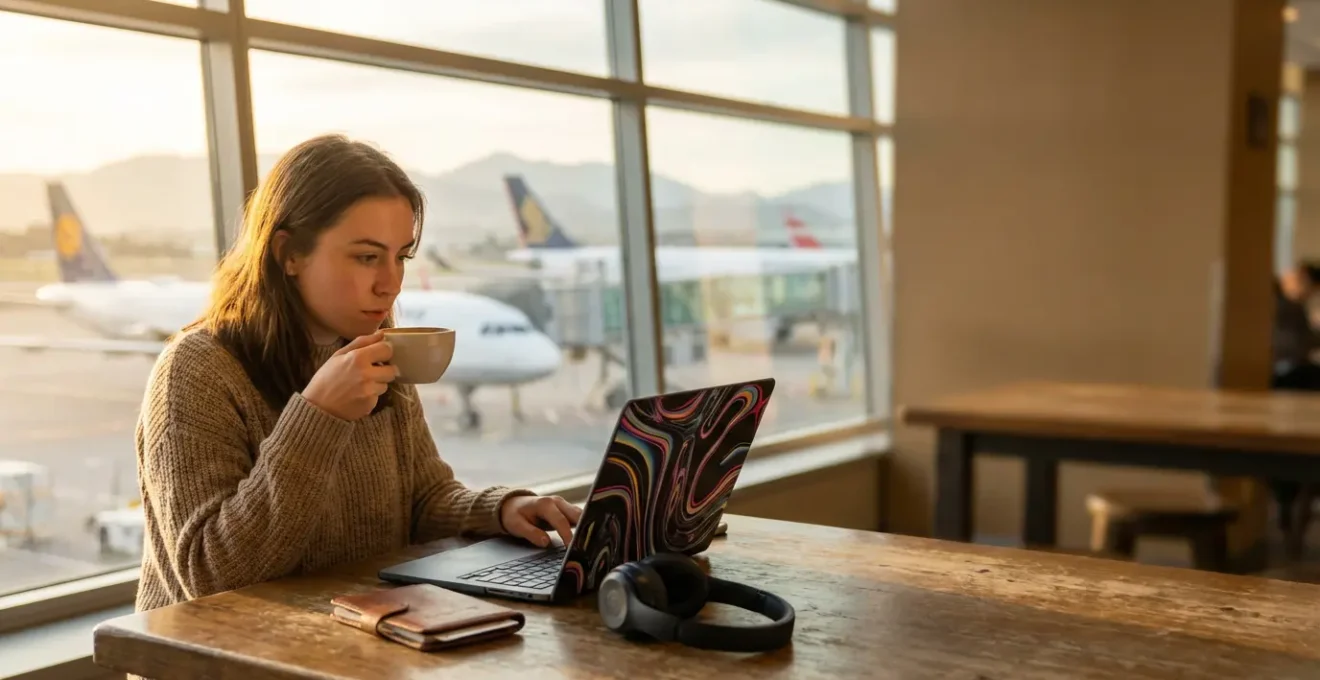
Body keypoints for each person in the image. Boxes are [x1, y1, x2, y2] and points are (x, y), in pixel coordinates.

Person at [133, 134, 581, 614]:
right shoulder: (197, 369)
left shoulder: (376, 348)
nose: (390, 283)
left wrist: (502, 509)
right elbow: (213, 578)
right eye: (367, 257)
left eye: (401, 256)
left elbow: (423, 500)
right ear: (288, 253)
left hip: (352, 639)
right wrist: (318, 418)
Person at [1269, 260, 1320, 557]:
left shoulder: (1289, 306)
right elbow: (1296, 346)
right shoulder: (1284, 306)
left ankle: (1290, 509)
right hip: (1286, 383)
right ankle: (1290, 507)